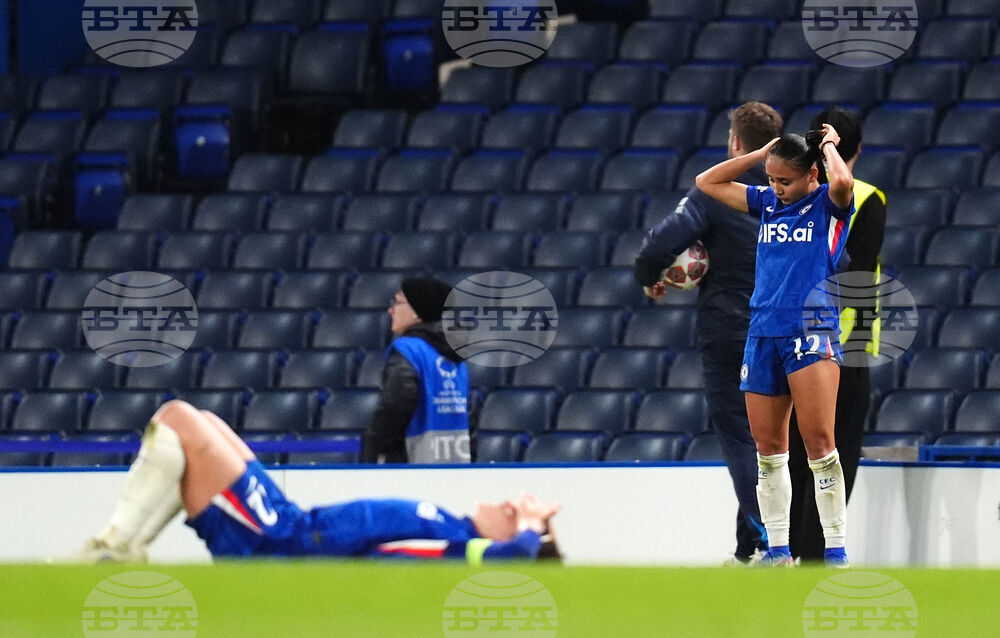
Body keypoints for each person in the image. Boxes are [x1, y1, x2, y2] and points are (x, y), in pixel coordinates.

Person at [78, 400, 561, 563]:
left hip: (280, 545)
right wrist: (530, 529)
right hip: (292, 526)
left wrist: (534, 531)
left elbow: (513, 557)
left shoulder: (460, 550)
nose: (507, 503)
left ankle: (114, 548)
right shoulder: (452, 530)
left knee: (179, 420)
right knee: (205, 420)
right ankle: (119, 548)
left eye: (513, 514)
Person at [694, 122, 855, 567]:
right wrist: (761, 152)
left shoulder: (829, 204)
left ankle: (836, 551)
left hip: (811, 329)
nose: (776, 188)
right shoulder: (766, 203)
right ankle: (779, 552)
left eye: (785, 180)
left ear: (811, 176)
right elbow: (707, 182)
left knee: (820, 444)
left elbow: (842, 180)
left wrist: (827, 145)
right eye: (771, 178)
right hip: (762, 330)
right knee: (768, 450)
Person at [634, 102, 783, 565]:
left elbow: (662, 241)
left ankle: (773, 544)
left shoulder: (717, 191)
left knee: (742, 438)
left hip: (731, 327)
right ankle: (749, 552)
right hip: (787, 329)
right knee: (770, 441)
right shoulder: (796, 193)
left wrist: (648, 273)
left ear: (736, 143)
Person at [787, 107, 886, 562]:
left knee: (794, 458)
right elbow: (859, 276)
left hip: (791, 343)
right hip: (848, 348)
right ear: (858, 152)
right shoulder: (866, 197)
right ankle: (810, 562)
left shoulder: (792, 195)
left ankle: (785, 558)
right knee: (833, 459)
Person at [363, 277, 471, 464]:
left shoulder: (408, 349)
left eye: (397, 303)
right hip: (456, 463)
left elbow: (396, 405)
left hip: (410, 465)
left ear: (417, 311)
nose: (391, 310)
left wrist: (375, 450)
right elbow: (469, 415)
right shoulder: (457, 357)